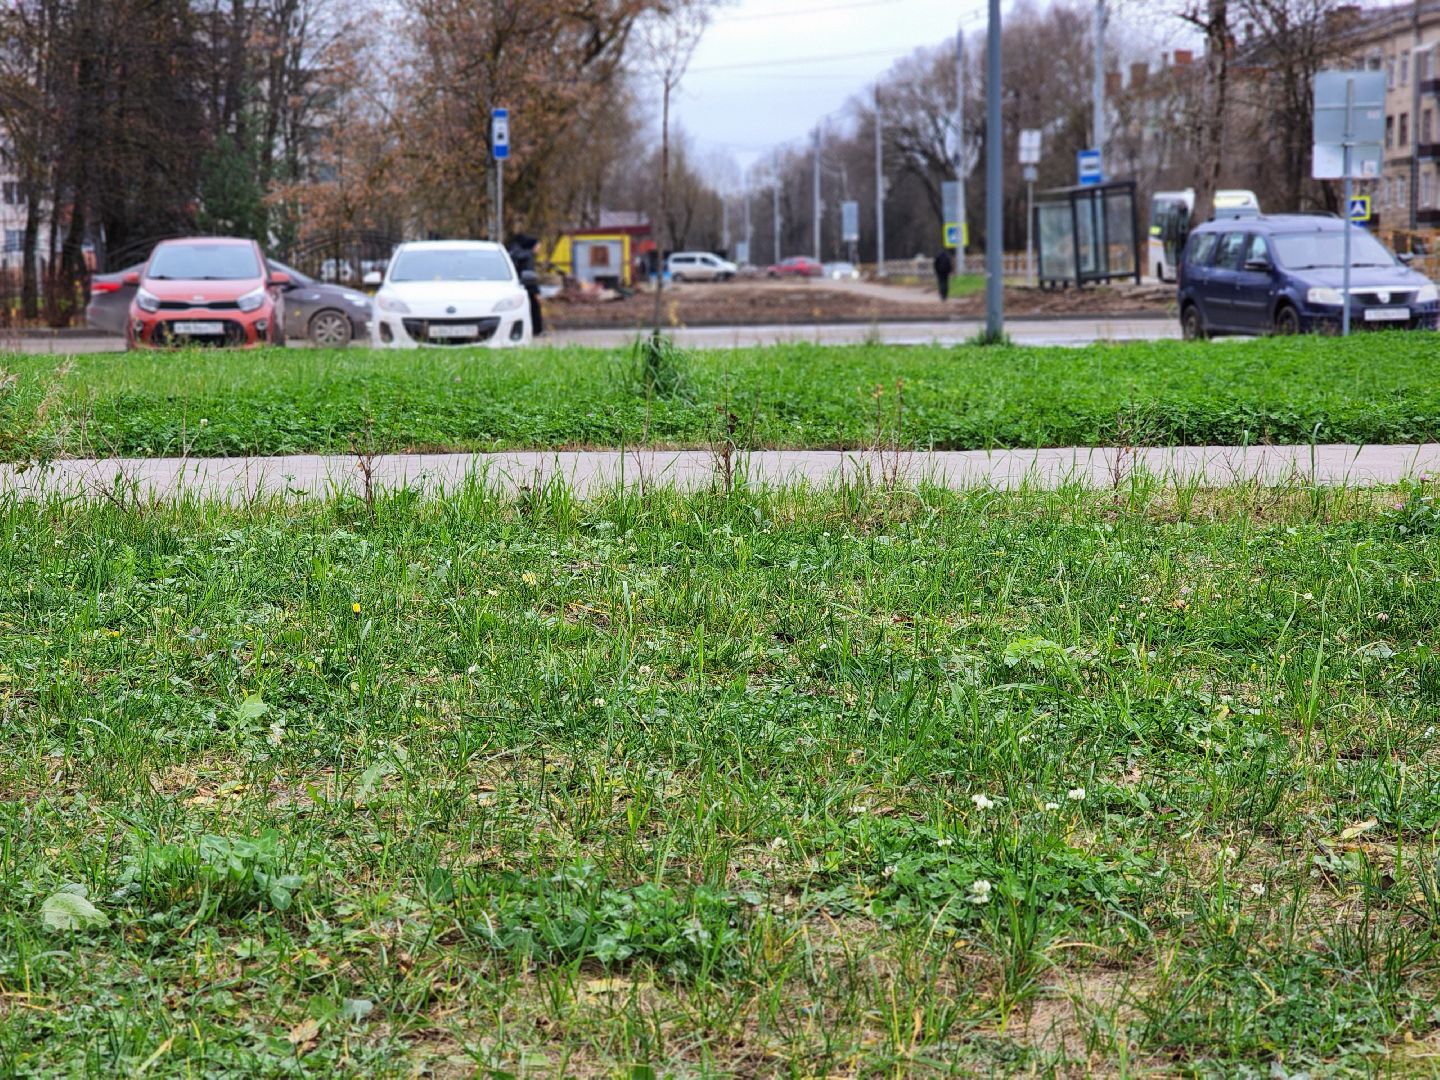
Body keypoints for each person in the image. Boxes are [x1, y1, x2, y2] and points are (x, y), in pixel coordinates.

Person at [507, 233, 543, 336]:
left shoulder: (512, 253)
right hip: (528, 288)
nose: (539, 248)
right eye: (538, 246)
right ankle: (535, 330)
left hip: (513, 286)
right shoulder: (528, 257)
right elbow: (529, 274)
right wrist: (536, 292)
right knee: (534, 308)